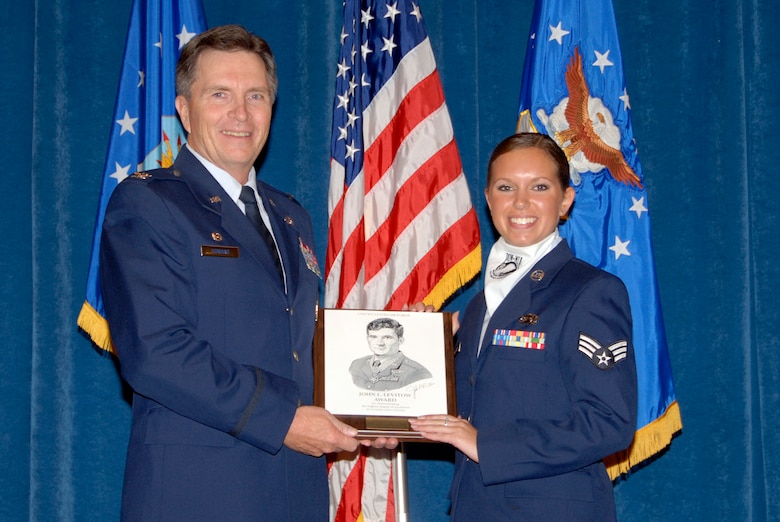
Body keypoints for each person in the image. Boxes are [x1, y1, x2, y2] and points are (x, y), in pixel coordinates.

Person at [100, 25, 393, 521]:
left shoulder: (289, 214)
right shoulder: (148, 202)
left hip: (293, 493)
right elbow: (155, 352)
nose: (240, 113)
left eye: (255, 96)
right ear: (185, 110)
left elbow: (296, 343)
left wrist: (372, 406)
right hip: (197, 495)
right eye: (220, 95)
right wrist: (282, 420)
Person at [410, 133, 638, 521]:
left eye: (539, 187)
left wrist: (487, 445)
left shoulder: (590, 292)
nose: (520, 202)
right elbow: (477, 405)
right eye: (505, 187)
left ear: (565, 200)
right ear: (488, 198)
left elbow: (608, 423)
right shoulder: (480, 307)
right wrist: (421, 350)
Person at [349, 317, 432, 390]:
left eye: (387, 337)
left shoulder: (417, 372)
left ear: (400, 340)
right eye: (373, 337)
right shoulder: (356, 365)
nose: (380, 343)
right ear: (368, 339)